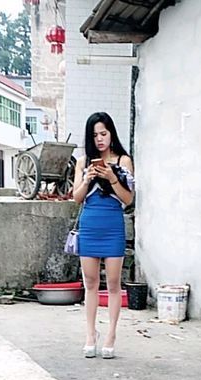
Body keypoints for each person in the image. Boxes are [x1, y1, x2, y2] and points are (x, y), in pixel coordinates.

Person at [72, 112, 134, 359]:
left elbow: (128, 199)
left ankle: (111, 334)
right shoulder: (83, 162)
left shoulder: (123, 160)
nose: (99, 139)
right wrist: (87, 180)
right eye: (95, 135)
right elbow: (76, 198)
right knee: (90, 283)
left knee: (114, 283)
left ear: (111, 134)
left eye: (103, 134)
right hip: (89, 225)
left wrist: (112, 178)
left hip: (113, 225)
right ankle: (90, 334)